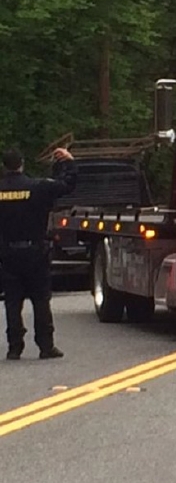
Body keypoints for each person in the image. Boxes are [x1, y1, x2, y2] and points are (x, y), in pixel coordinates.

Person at [0, 147, 77, 360]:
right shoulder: (37, 187)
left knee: (13, 302)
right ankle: (45, 345)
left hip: (8, 253)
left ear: (4, 166)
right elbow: (66, 185)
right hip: (35, 252)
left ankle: (14, 347)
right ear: (22, 163)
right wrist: (67, 163)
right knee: (41, 299)